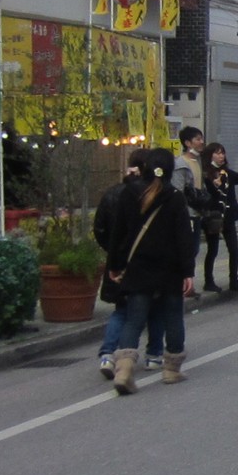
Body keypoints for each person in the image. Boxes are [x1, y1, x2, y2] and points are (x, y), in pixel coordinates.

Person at [104, 148, 197, 394]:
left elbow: (118, 234)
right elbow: (184, 237)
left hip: (138, 267)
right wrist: (188, 271)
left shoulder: (128, 193)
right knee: (173, 317)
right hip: (170, 268)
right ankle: (171, 369)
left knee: (134, 319)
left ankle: (123, 370)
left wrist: (114, 265)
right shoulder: (175, 196)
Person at [92, 157, 160, 376]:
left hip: (118, 261)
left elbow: (99, 228)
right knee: (151, 310)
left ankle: (107, 354)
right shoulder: (150, 195)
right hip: (145, 262)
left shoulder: (112, 193)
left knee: (121, 311)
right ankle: (153, 354)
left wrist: (112, 251)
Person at [199, 142, 238, 294]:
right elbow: (206, 194)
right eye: (217, 153)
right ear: (210, 155)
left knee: (234, 249)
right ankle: (208, 281)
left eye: (222, 153)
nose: (221, 156)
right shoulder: (205, 174)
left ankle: (233, 280)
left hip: (228, 216)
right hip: (213, 216)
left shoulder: (227, 173)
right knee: (213, 249)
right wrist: (215, 184)